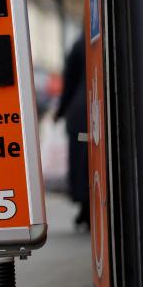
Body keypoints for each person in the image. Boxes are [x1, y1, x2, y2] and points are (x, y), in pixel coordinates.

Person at [56, 34, 89, 229]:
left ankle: (85, 207)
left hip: (79, 115)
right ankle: (88, 207)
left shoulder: (79, 44)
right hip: (94, 112)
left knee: (81, 160)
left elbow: (69, 82)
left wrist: (60, 111)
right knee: (91, 158)